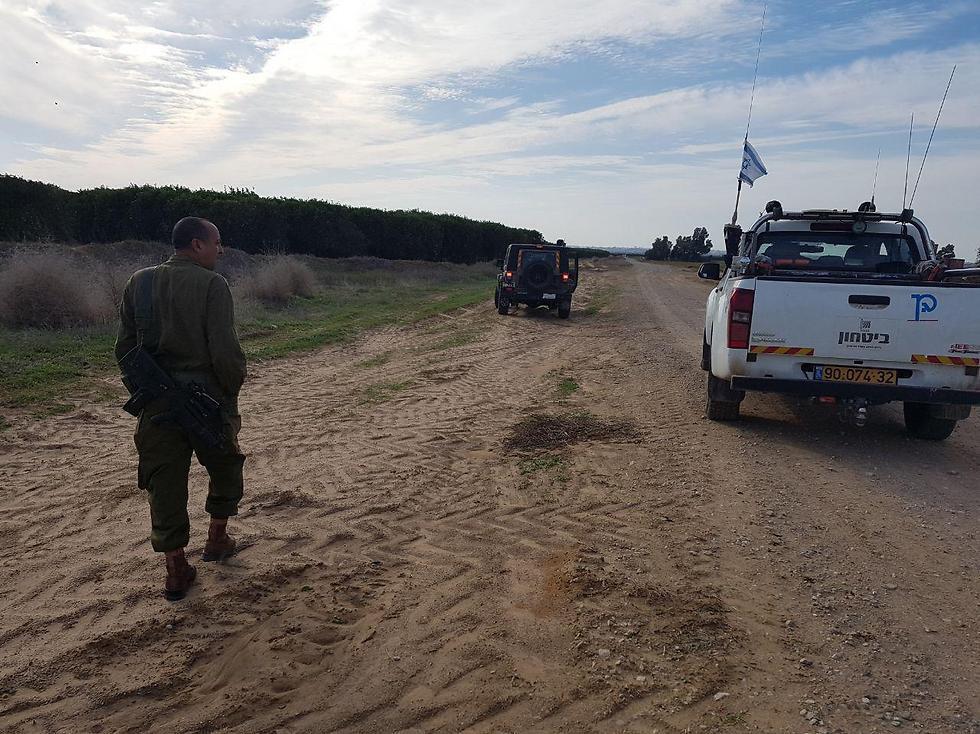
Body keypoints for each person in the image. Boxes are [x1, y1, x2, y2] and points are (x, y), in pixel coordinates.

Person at [115, 217, 247, 601]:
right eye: (217, 243)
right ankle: (217, 538)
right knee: (225, 462)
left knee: (163, 480)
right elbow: (225, 352)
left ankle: (175, 568)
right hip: (206, 400)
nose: (220, 250)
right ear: (197, 245)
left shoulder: (138, 282)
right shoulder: (212, 284)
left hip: (155, 403)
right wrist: (230, 392)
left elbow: (124, 348)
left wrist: (144, 390)